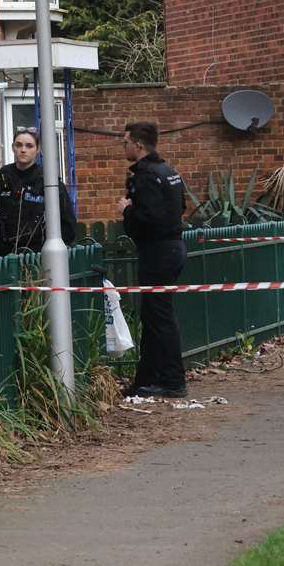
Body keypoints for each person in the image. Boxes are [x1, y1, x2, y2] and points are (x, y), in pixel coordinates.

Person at [118, 121, 189, 397]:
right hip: (173, 247)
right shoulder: (169, 171)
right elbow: (179, 207)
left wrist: (126, 211)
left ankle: (173, 380)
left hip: (157, 251)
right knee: (154, 316)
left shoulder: (146, 175)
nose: (123, 147)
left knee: (160, 318)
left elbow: (148, 219)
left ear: (138, 145)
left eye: (125, 143)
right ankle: (146, 379)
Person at [0, 127, 76, 256]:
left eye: (29, 146)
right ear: (13, 147)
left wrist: (48, 249)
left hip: (38, 256)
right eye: (19, 145)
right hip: (3, 256)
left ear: (38, 149)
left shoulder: (49, 181)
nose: (23, 150)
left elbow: (69, 225)